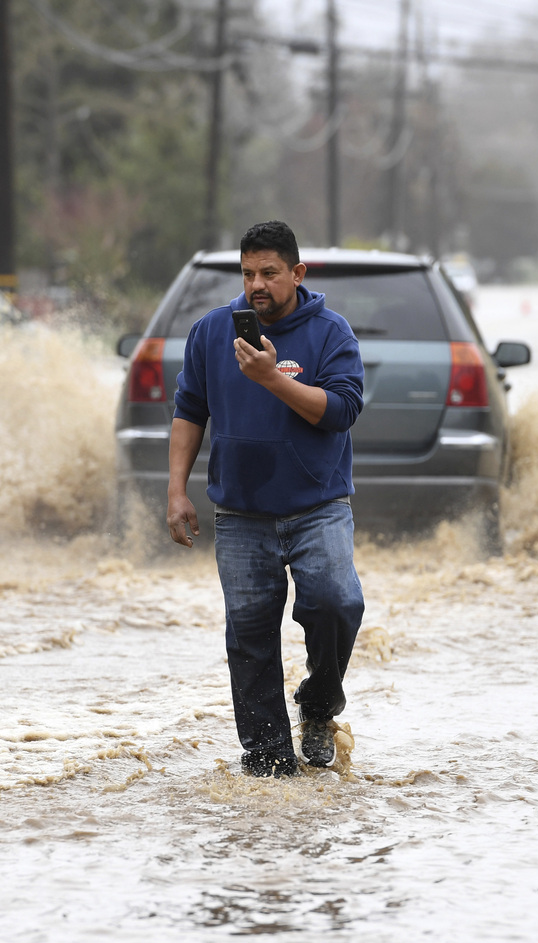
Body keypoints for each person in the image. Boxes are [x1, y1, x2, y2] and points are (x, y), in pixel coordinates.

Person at [167, 221, 367, 778]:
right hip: (240, 514)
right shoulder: (211, 332)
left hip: (318, 506)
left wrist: (271, 377)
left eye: (270, 273)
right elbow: (189, 410)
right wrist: (177, 490)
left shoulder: (331, 333)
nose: (257, 284)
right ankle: (269, 765)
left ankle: (319, 706)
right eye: (249, 273)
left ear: (297, 274)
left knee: (336, 602)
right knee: (249, 635)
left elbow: (342, 411)